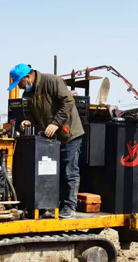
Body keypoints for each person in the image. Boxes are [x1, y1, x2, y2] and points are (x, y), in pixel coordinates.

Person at [7, 63, 85, 219]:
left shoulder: (52, 81)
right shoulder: (29, 94)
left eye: (20, 83)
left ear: (27, 77)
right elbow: (34, 113)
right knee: (51, 173)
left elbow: (68, 102)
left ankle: (69, 206)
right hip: (51, 139)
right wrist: (29, 121)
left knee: (69, 171)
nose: (20, 88)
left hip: (69, 134)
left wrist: (56, 123)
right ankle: (52, 205)